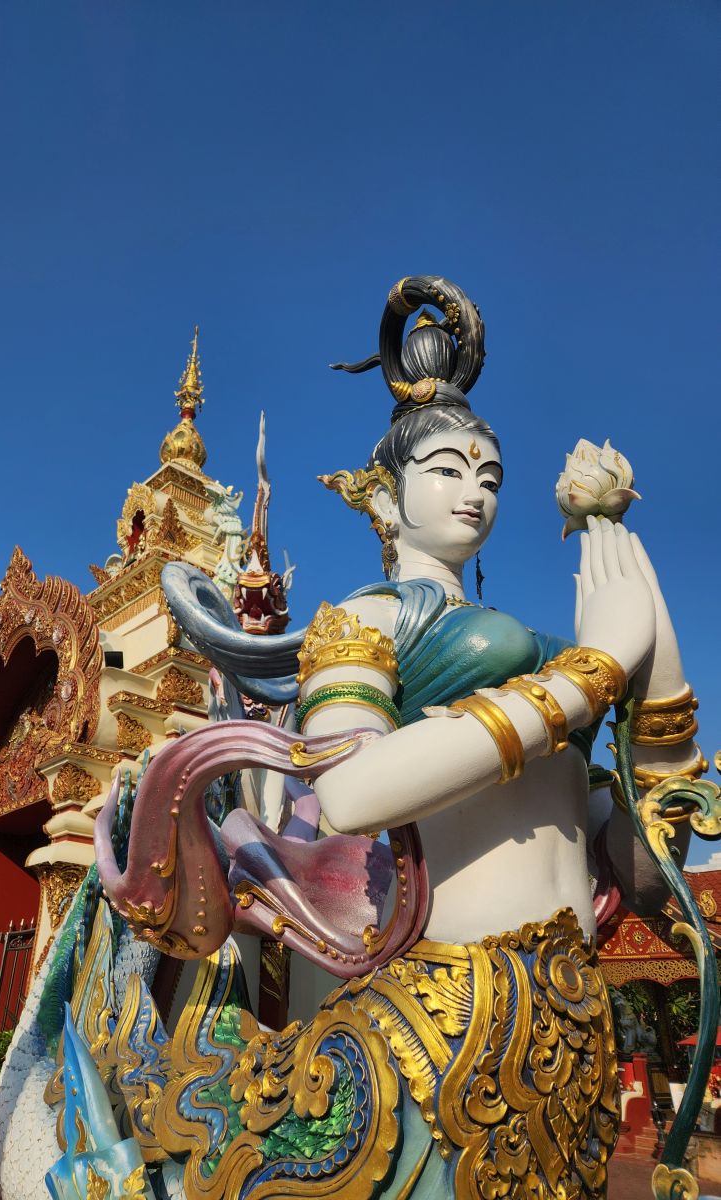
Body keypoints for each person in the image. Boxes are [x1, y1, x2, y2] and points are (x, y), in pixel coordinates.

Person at [98, 277, 704, 1200]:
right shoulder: (367, 619)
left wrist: (658, 694)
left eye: (490, 477)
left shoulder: (550, 645)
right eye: (449, 470)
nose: (476, 493)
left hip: (571, 1029)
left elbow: (642, 874)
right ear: (386, 492)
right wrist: (594, 673)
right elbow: (351, 790)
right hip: (437, 1023)